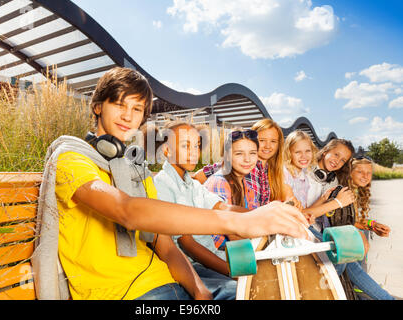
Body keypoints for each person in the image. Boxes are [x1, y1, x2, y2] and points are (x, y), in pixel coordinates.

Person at [43, 67, 310, 300]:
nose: (128, 116)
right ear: (98, 105)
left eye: (137, 109)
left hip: (165, 282)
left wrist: (199, 290)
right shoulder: (71, 158)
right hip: (120, 292)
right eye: (119, 104)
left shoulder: (136, 170)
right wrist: (240, 222)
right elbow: (127, 211)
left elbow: (165, 245)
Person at [288, 137, 394, 300]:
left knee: (353, 247)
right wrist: (336, 203)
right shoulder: (303, 172)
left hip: (323, 233)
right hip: (306, 234)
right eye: (336, 154)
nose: (338, 161)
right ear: (325, 152)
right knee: (347, 257)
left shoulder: (334, 181)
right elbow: (301, 215)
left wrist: (369, 225)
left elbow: (341, 217)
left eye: (343, 159)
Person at [153, 121, 248, 300]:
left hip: (212, 257)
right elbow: (187, 244)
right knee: (240, 291)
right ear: (167, 151)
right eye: (185, 146)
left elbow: (224, 208)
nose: (194, 152)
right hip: (190, 267)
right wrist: (231, 271)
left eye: (197, 145)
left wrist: (263, 214)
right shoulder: (162, 185)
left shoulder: (194, 185)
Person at [194, 118, 301, 208]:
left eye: (273, 141)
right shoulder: (241, 164)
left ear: (279, 145)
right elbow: (196, 178)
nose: (268, 146)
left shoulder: (272, 172)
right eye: (262, 140)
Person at [204, 129, 260, 250]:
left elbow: (255, 220)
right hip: (219, 252)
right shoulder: (219, 182)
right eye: (239, 153)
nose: (247, 159)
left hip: (238, 246)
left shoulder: (247, 186)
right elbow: (232, 232)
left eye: (252, 153)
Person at [348, 155, 391, 239]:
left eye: (369, 173)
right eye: (360, 172)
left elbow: (353, 219)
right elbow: (346, 222)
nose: (365, 176)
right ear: (349, 172)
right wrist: (372, 227)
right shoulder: (345, 192)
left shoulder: (355, 190)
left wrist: (374, 224)